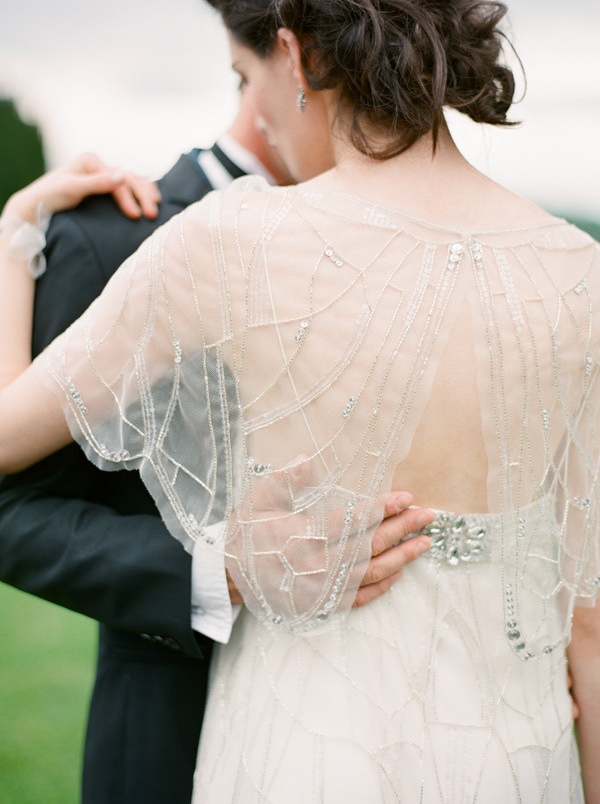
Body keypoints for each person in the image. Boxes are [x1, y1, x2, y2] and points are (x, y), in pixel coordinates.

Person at [0, 0, 599, 800]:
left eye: (247, 79)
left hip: (303, 749)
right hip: (515, 756)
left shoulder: (227, 239)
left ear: (296, 54)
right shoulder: (580, 275)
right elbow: (592, 623)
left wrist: (14, 241)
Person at [0, 87, 430, 804]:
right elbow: (11, 509)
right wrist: (215, 570)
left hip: (369, 727)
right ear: (292, 53)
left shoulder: (403, 247)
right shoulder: (108, 237)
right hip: (171, 729)